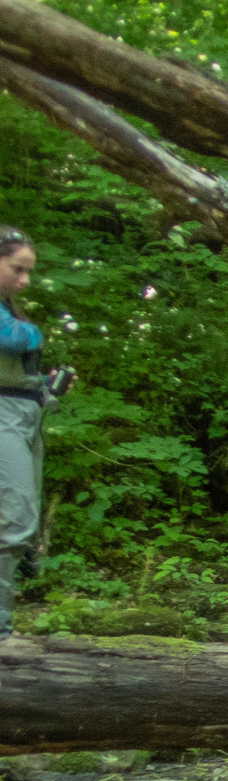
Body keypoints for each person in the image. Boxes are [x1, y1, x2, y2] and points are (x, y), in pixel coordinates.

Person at [0, 227, 45, 638]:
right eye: (18, 269)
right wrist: (35, 334)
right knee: (13, 520)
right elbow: (10, 339)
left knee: (18, 521)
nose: (25, 281)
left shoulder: (8, 308)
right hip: (3, 417)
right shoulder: (10, 321)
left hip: (22, 415)